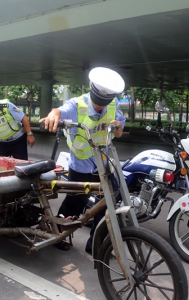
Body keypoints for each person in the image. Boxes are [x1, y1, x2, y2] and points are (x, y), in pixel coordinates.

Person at [39, 67, 126, 253]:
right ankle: (59, 233)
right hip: (81, 162)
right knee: (75, 201)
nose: (100, 107)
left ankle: (96, 243)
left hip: (103, 161)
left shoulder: (113, 104)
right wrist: (53, 115)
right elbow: (59, 111)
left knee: (109, 201)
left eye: (103, 104)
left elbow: (119, 132)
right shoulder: (77, 105)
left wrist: (117, 126)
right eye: (97, 103)